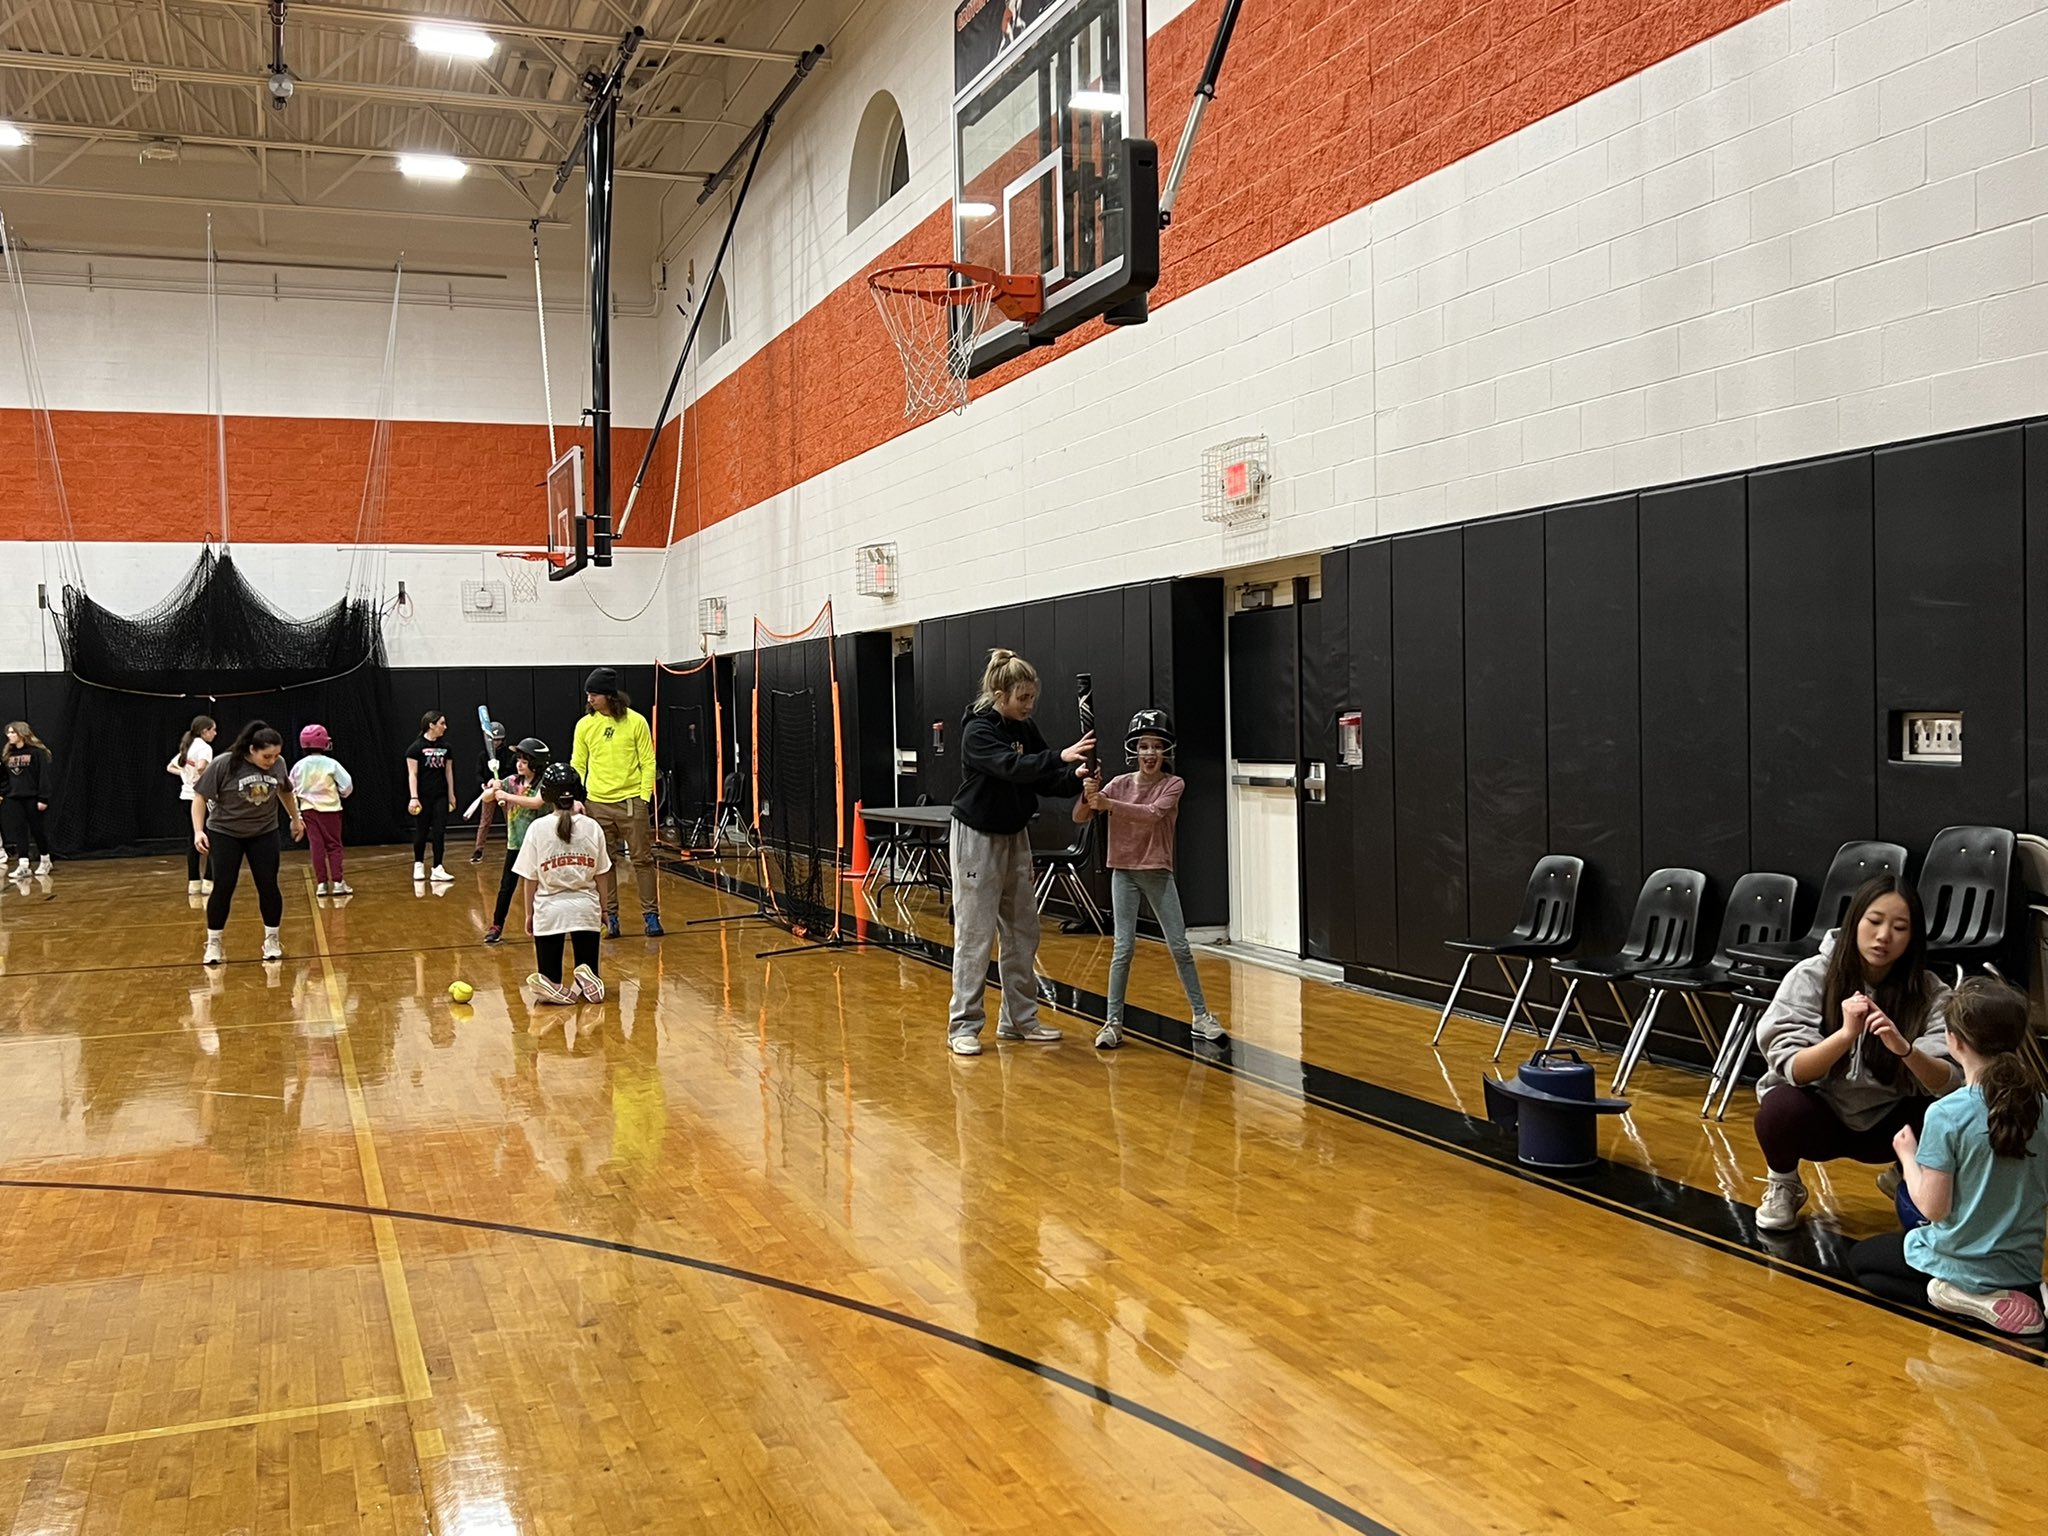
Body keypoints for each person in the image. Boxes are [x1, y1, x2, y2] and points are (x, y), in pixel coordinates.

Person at [1752, 876, 1959, 1232]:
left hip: (1891, 1128)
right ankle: (1784, 1184)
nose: (1884, 936)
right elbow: (1795, 1068)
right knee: (1779, 1108)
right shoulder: (1811, 975)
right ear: (1854, 922)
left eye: (1899, 928)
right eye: (1874, 921)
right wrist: (1846, 1035)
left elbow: (1948, 1079)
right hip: (1825, 1118)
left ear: (1913, 937)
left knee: (1949, 1112)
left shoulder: (1929, 990)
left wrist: (1904, 1048)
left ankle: (1907, 1175)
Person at [1848, 977, 2048, 1334]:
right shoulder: (2043, 1106)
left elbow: (1932, 1209)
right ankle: (2025, 1294)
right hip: (2022, 1266)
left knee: (1863, 1262)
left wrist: (1907, 1156)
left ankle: (1972, 1298)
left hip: (1960, 1263)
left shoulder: (1947, 1113)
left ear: (1954, 1041)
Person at [946, 648, 1094, 1057]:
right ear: (1000, 694)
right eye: (1023, 698)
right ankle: (963, 1026)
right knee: (975, 935)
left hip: (1015, 835)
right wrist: (1058, 757)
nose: (1030, 705)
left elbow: (1045, 778)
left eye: (1033, 697)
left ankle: (1019, 1020)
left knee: (1023, 931)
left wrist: (1076, 776)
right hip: (977, 837)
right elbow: (1012, 767)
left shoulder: (1025, 728)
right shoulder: (978, 731)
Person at [1073, 708, 1224, 1051]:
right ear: (1134, 750)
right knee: (1123, 948)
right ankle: (1113, 1023)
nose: (1150, 753)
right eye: (1144, 746)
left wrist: (1108, 804)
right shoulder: (1118, 785)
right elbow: (1080, 815)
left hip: (1157, 873)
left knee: (1180, 947)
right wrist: (1088, 793)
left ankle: (1201, 1016)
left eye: (1157, 746)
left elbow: (1153, 814)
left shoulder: (1173, 784)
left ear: (1166, 751)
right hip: (1124, 873)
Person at [192, 720, 306, 965]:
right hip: (225, 832)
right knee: (224, 886)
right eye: (267, 756)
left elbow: (285, 790)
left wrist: (295, 819)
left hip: (264, 831)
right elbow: (200, 797)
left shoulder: (279, 764)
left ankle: (272, 939)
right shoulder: (224, 763)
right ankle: (214, 942)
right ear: (252, 750)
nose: (272, 761)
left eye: (276, 755)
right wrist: (198, 831)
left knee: (268, 885)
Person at [573, 667, 664, 938]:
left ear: (609, 696)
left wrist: (643, 798)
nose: (589, 699)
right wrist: (578, 798)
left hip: (631, 802)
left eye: (594, 694)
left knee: (643, 860)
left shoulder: (636, 722)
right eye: (588, 694)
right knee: (604, 863)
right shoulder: (584, 725)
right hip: (596, 804)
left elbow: (648, 762)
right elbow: (578, 763)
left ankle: (651, 916)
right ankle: (610, 917)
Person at [514, 761, 610, 1005]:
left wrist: (530, 914)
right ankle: (586, 981)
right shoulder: (592, 827)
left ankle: (555, 987)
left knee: (548, 980)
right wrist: (605, 910)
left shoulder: (537, 828)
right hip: (586, 908)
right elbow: (602, 874)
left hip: (549, 911)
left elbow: (530, 879)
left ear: (546, 794)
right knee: (589, 970)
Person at [482, 736, 549, 945]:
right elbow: (486, 798)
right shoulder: (511, 782)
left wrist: (507, 796)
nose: (519, 764)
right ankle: (496, 925)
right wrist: (494, 789)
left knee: (543, 886)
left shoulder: (544, 783)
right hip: (516, 844)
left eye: (524, 761)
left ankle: (544, 924)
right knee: (506, 887)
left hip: (540, 846)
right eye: (518, 760)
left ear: (535, 763)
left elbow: (536, 803)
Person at [291, 724, 355, 897]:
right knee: (334, 846)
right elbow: (347, 785)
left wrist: (296, 815)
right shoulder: (331, 764)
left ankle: (321, 884)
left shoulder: (298, 766)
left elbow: (291, 790)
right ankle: (338, 883)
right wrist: (341, 793)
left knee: (316, 846)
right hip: (331, 810)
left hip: (308, 811)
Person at [166, 715, 218, 894]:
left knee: (193, 840)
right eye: (213, 730)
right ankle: (209, 881)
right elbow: (202, 767)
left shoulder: (188, 746)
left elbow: (170, 767)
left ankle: (193, 882)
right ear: (204, 731)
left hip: (186, 798)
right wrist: (205, 777)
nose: (215, 733)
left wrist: (185, 775)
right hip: (201, 799)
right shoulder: (204, 748)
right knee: (212, 839)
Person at [405, 710, 457, 884]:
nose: (445, 727)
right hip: (423, 796)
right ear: (431, 725)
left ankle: (438, 868)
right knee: (421, 831)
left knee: (439, 832)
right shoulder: (415, 748)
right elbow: (412, 774)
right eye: (442, 723)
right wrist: (414, 797)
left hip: (440, 796)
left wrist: (451, 795)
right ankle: (418, 864)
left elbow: (448, 772)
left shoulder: (446, 747)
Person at [3, 721, 54, 878]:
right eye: (8, 732)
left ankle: (45, 860)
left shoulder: (36, 753)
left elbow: (43, 777)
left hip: (32, 798)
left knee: (37, 830)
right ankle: (23, 864)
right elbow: (4, 777)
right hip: (14, 798)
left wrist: (43, 798)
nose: (9, 735)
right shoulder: (8, 755)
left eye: (13, 732)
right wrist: (6, 791)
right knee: (19, 831)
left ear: (22, 733)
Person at [471, 720, 508, 864]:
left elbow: (510, 771)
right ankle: (478, 850)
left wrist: (500, 780)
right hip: (489, 791)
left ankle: (514, 847)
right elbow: (478, 773)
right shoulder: (483, 755)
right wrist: (485, 783)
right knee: (485, 821)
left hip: (505, 791)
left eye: (499, 740)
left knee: (510, 820)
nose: (496, 743)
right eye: (494, 740)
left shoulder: (507, 754)